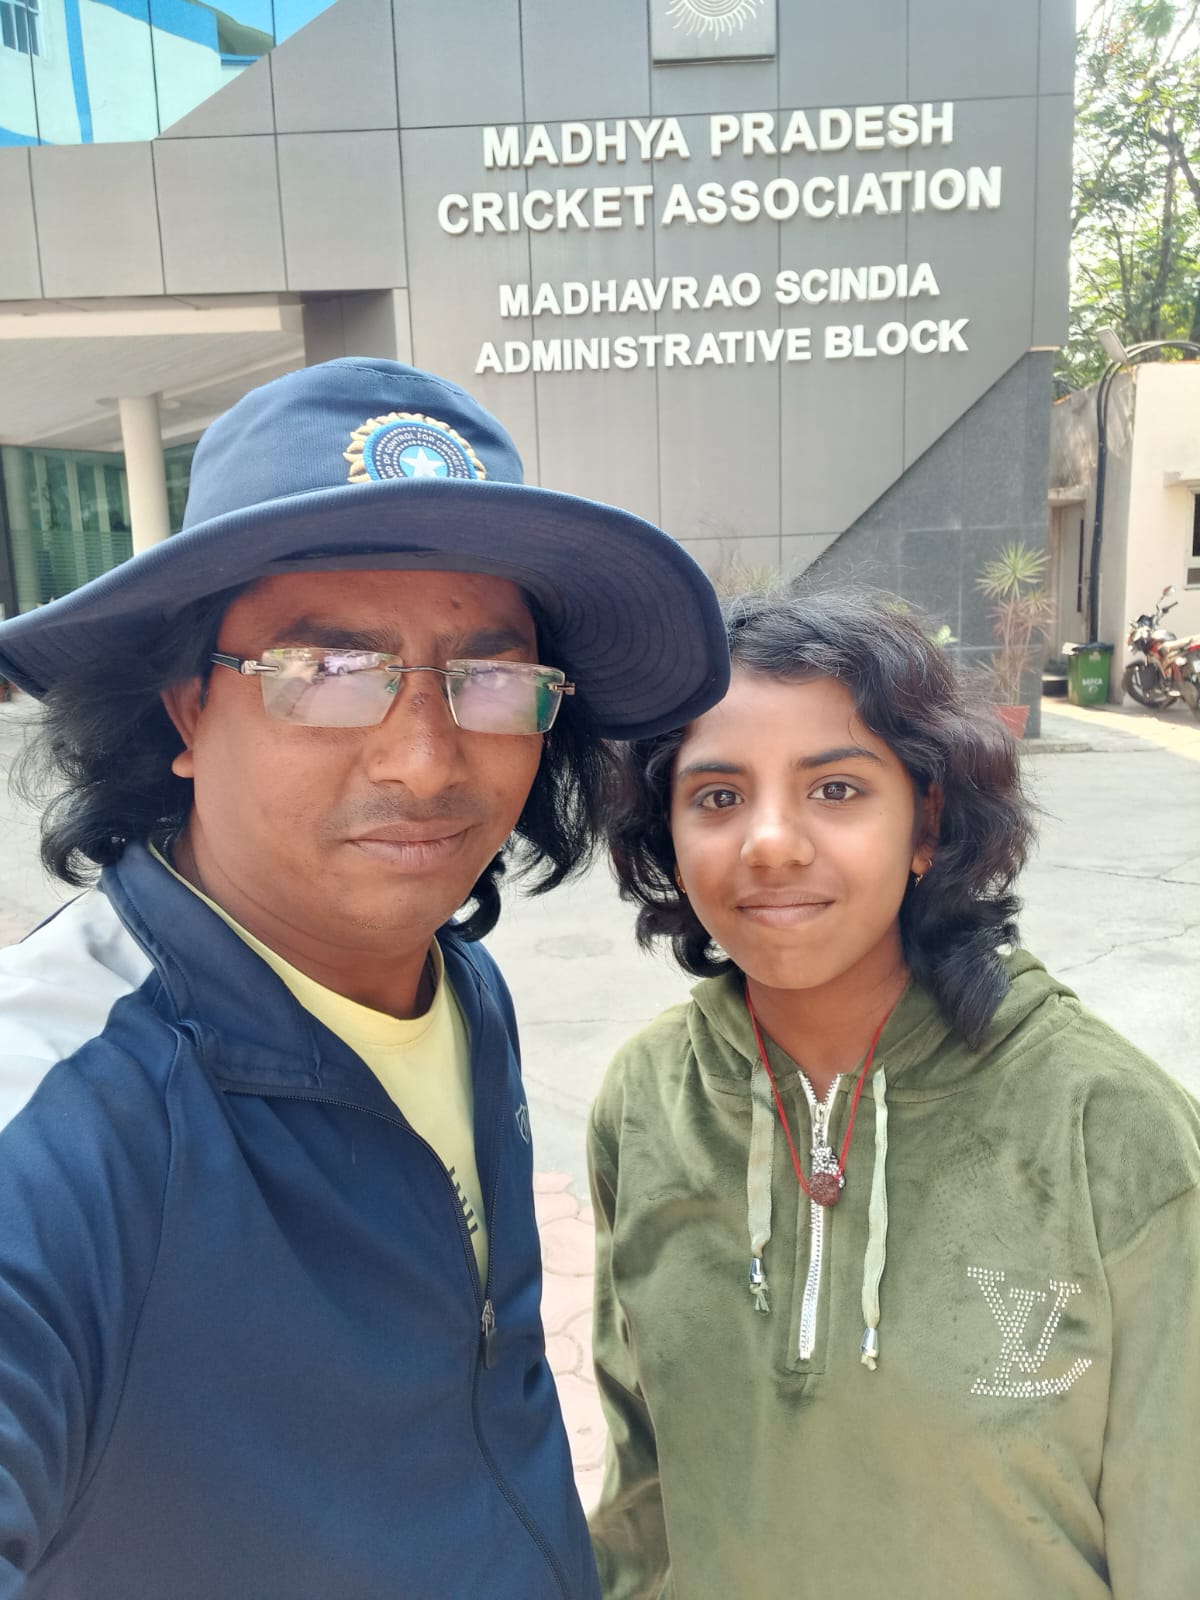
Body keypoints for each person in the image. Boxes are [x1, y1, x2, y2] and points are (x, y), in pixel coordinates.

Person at [0, 358, 729, 1599]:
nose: (427, 759)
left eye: (490, 678)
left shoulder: (458, 988)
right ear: (186, 708)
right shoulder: (59, 1122)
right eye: (329, 672)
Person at [588, 588, 1200, 1600]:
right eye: (718, 796)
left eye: (835, 789)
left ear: (929, 822)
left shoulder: (1112, 1130)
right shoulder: (647, 1101)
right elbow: (642, 1497)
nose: (769, 842)